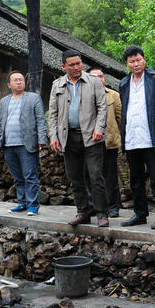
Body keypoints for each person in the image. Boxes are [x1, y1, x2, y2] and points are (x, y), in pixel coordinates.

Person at [48, 49, 109, 227]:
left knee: (96, 176)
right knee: (75, 178)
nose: (76, 67)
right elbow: (52, 114)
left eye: (78, 63)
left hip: (91, 136)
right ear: (63, 66)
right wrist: (53, 136)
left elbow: (102, 107)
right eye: (72, 64)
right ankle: (83, 212)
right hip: (68, 136)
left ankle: (102, 214)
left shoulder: (94, 82)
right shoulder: (57, 85)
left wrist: (99, 128)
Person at [118, 45, 155, 229]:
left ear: (144, 60)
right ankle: (140, 213)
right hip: (132, 137)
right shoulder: (124, 83)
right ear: (127, 63)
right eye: (131, 61)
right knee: (135, 179)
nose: (136, 64)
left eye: (138, 60)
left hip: (151, 137)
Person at [0, 71, 47, 216]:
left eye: (21, 79)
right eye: (16, 80)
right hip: (8, 145)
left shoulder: (33, 98)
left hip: (27, 144)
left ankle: (33, 205)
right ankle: (22, 203)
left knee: (30, 176)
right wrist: (1, 138)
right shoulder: (4, 101)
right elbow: (2, 121)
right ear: (9, 85)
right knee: (17, 176)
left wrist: (41, 139)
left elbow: (41, 120)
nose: (19, 82)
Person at [87, 67, 123, 218]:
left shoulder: (113, 95)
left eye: (101, 76)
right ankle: (94, 206)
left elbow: (121, 119)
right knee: (91, 176)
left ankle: (113, 206)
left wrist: (117, 135)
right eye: (95, 77)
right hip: (89, 143)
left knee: (110, 176)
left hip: (109, 142)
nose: (100, 79)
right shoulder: (84, 96)